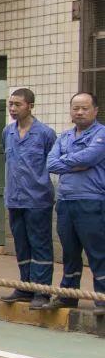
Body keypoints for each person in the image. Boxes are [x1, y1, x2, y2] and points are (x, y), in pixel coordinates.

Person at [46, 92, 105, 309]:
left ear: (95, 111)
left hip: (91, 201)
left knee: (97, 252)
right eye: (75, 108)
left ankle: (102, 298)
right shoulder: (64, 137)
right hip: (65, 202)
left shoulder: (101, 134)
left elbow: (90, 157)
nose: (79, 112)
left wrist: (68, 162)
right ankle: (68, 296)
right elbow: (51, 164)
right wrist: (78, 164)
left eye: (84, 108)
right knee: (69, 253)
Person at [0, 89, 56, 310]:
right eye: (10, 104)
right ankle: (25, 287)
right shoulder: (8, 132)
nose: (13, 109)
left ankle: (42, 291)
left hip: (38, 199)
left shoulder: (45, 134)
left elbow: (53, 162)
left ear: (30, 106)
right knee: (22, 244)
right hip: (15, 198)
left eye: (18, 104)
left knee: (40, 244)